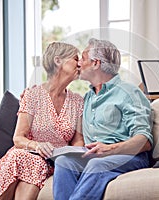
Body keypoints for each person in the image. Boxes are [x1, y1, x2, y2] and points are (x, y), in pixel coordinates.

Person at [53, 38, 153, 200]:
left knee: (96, 165)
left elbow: (144, 141)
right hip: (94, 156)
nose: (79, 64)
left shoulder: (129, 93)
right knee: (64, 162)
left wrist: (110, 149)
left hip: (129, 156)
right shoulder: (87, 98)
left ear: (95, 63)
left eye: (83, 58)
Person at [0, 41, 84, 200]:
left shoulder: (77, 101)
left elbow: (78, 141)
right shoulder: (33, 96)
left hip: (53, 163)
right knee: (28, 160)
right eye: (75, 58)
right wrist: (37, 146)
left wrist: (69, 155)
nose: (80, 63)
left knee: (38, 164)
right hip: (27, 155)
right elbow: (18, 138)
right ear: (58, 61)